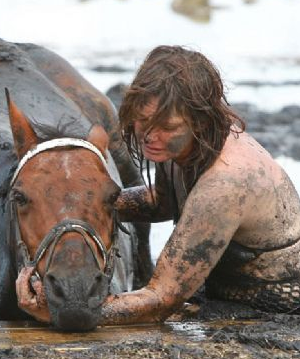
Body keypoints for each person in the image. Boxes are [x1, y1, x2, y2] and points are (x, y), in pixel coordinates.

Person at [16, 45, 300, 324]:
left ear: (200, 121)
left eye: (167, 127)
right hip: (224, 287)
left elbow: (161, 298)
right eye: (143, 121)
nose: (150, 136)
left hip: (274, 303)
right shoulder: (184, 145)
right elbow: (164, 201)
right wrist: (87, 206)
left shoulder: (226, 183)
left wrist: (64, 308)